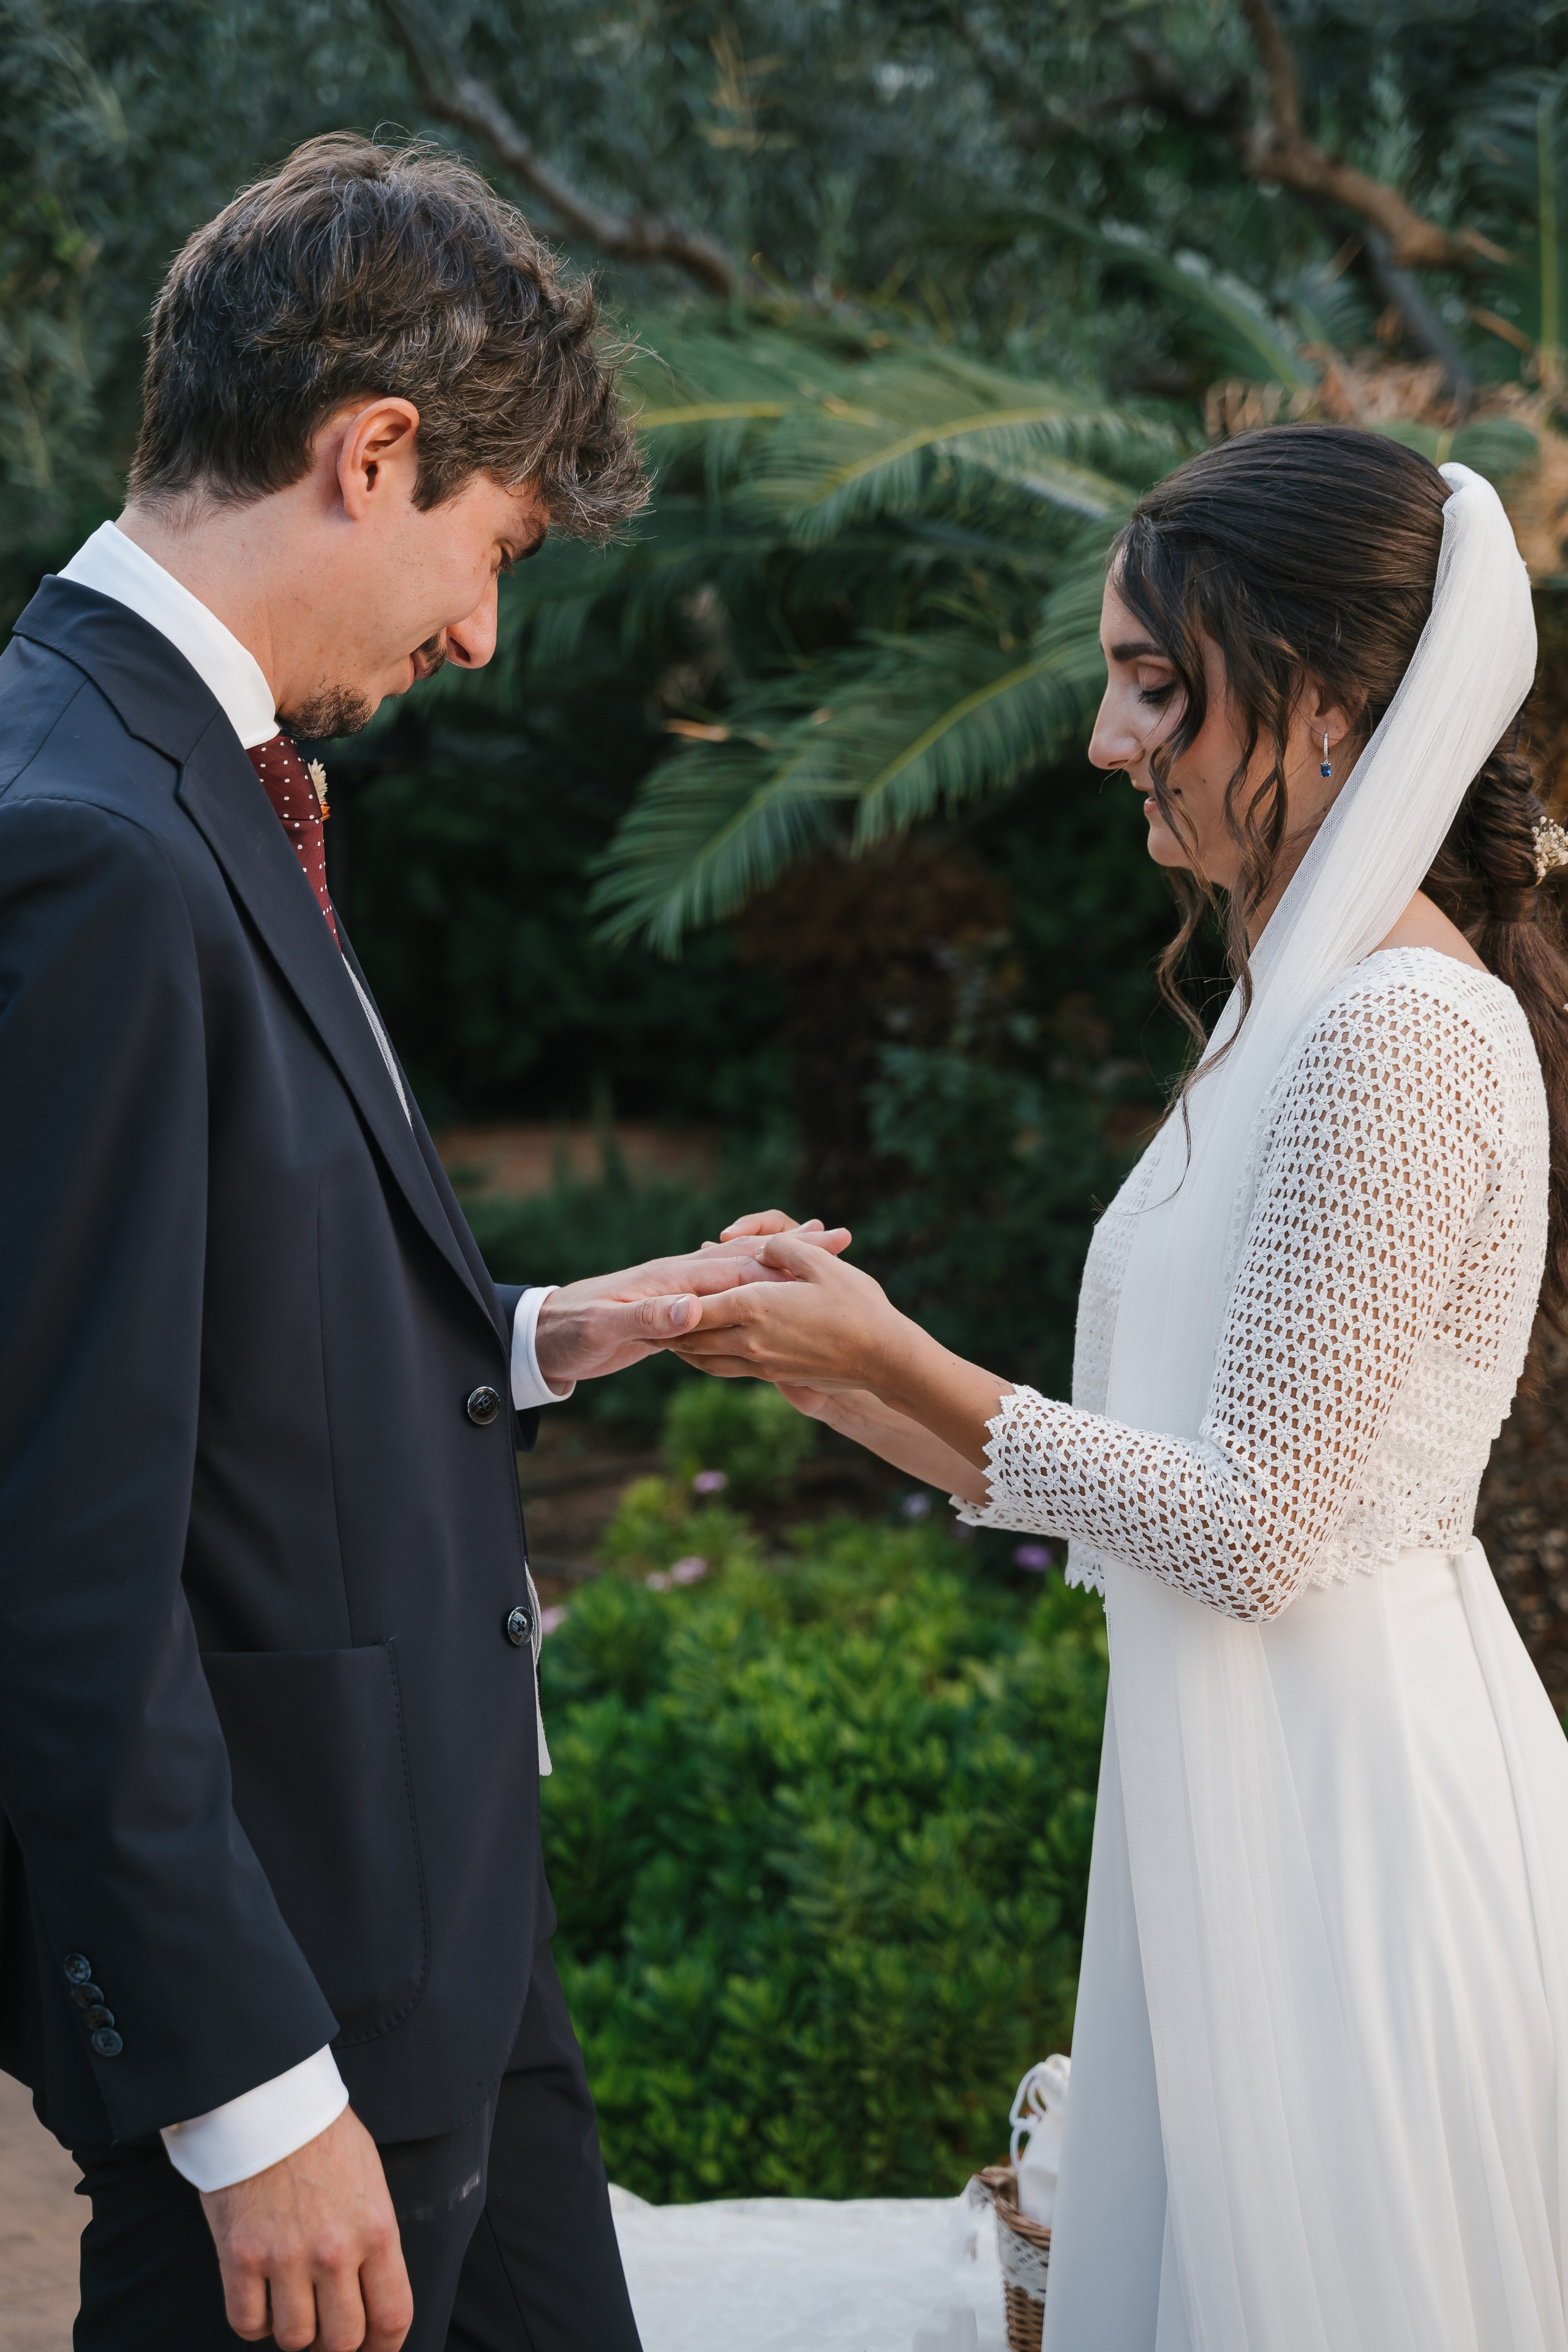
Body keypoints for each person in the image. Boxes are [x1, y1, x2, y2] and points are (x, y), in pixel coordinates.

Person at [0, 135, 841, 2352]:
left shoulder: (193, 773)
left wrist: (560, 1329)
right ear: (373, 454)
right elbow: (57, 1560)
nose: (481, 630)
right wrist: (247, 2090)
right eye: (493, 549)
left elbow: (235, 1327)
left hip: (452, 1940)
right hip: (299, 2006)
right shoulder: (85, 845)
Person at [679, 427, 1568, 2350]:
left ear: (1328, 707)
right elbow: (1164, 1472)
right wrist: (852, 1380)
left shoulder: (1397, 1033)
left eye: (1155, 685)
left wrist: (907, 1361)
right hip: (1237, 1769)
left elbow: (1256, 1531)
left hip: (1350, 1816)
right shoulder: (1292, 1011)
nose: (1103, 739)